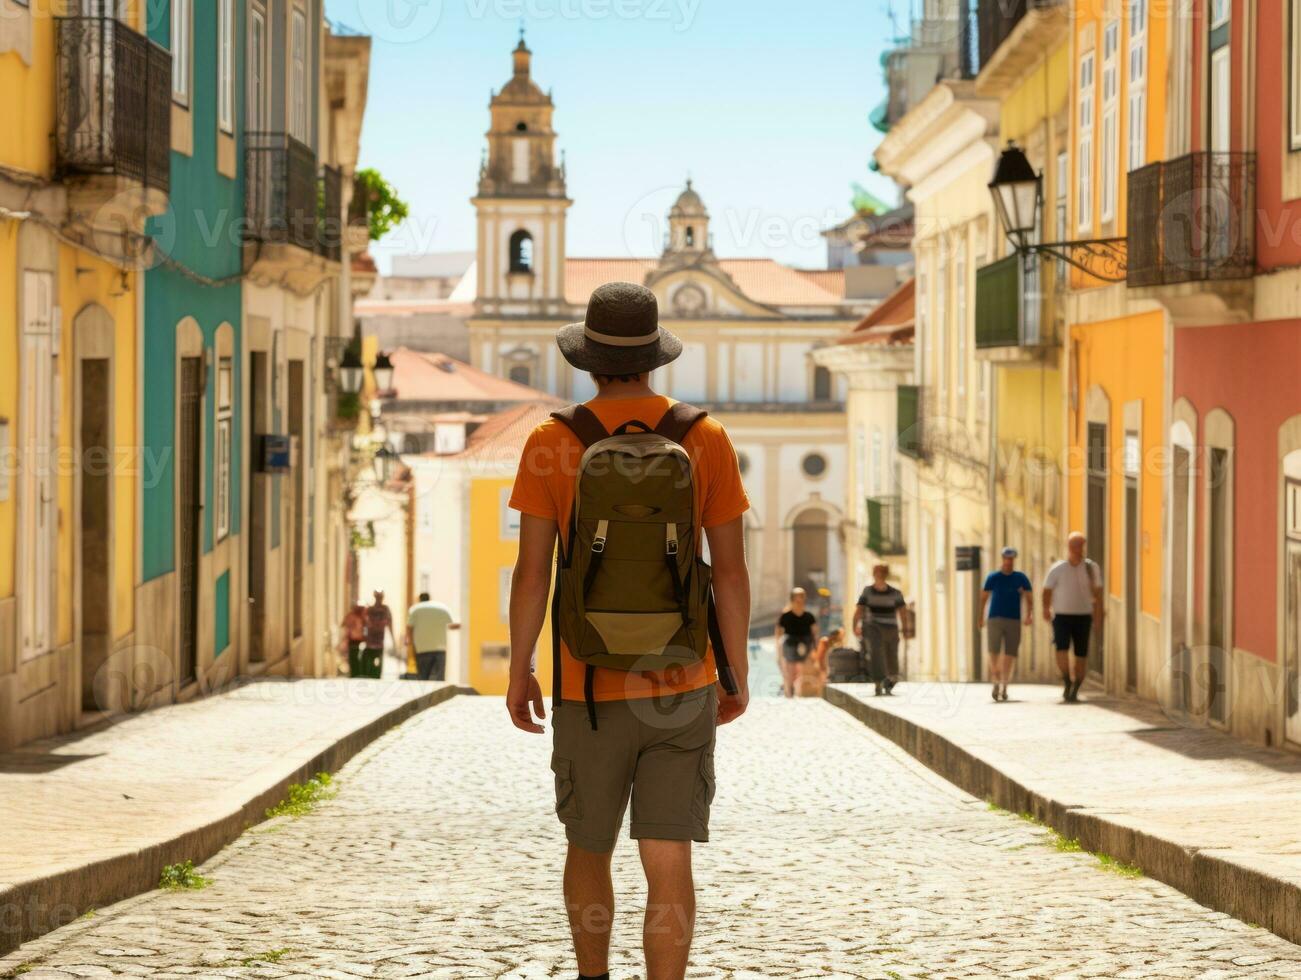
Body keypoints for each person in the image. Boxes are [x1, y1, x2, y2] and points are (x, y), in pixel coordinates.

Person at [504, 281, 751, 980]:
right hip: (681, 681)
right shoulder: (705, 438)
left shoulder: (552, 442)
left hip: (586, 685)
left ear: (588, 360)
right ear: (654, 359)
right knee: (668, 854)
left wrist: (521, 668)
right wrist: (732, 672)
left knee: (588, 846)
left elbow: (532, 573)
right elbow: (728, 573)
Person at [1042, 531, 1104, 703]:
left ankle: (1076, 687)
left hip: (1084, 616)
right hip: (1061, 616)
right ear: (1069, 547)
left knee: (1081, 654)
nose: (1079, 549)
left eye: (1081, 545)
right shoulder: (1058, 569)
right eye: (1076, 546)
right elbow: (1046, 590)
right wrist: (1045, 609)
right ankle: (1067, 680)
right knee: (1061, 650)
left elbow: (1098, 595)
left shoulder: (1092, 568)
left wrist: (1098, 617)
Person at [979, 547, 1034, 702]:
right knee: (993, 652)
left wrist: (1029, 614)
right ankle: (996, 680)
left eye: (1011, 559)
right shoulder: (993, 577)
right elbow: (983, 598)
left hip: (1014, 620)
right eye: (1006, 559)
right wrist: (980, 618)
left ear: (1014, 560)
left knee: (1010, 654)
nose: (1008, 562)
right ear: (1002, 559)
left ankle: (1004, 685)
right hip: (994, 619)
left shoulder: (1020, 578)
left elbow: (1029, 598)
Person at [853, 564, 906, 696]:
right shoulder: (867, 591)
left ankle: (890, 681)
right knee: (876, 655)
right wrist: (855, 625)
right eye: (877, 572)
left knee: (891, 656)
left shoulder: (895, 593)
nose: (879, 575)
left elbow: (903, 612)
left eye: (882, 572)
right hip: (873, 628)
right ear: (873, 574)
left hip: (891, 629)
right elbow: (859, 609)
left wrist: (905, 628)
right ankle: (878, 682)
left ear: (886, 574)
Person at [406, 592, 459, 681]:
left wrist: (410, 642)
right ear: (429, 598)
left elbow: (409, 627)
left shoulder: (415, 609)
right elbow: (452, 625)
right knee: (439, 678)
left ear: (419, 599)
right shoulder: (442, 608)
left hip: (422, 649)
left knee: (423, 677)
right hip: (440, 649)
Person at [775, 588, 817, 698]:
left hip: (805, 643)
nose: (800, 602)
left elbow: (814, 633)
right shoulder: (786, 616)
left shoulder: (809, 617)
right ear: (792, 600)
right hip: (790, 643)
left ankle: (799, 694)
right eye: (798, 600)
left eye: (803, 599)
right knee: (790, 671)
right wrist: (778, 652)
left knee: (802, 672)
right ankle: (789, 694)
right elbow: (778, 634)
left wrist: (814, 649)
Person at [362, 590, 396, 680]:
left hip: (379, 641)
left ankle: (376, 676)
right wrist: (364, 637)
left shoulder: (385, 609)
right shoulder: (370, 609)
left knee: (378, 662)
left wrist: (393, 640)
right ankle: (370, 676)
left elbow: (390, 623)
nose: (379, 599)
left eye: (380, 597)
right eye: (378, 597)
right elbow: (364, 624)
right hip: (370, 641)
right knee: (370, 662)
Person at [340, 603, 367, 677]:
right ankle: (355, 672)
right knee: (353, 656)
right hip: (353, 639)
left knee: (355, 656)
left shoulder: (360, 616)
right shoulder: (353, 616)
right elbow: (345, 626)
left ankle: (356, 672)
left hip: (358, 640)